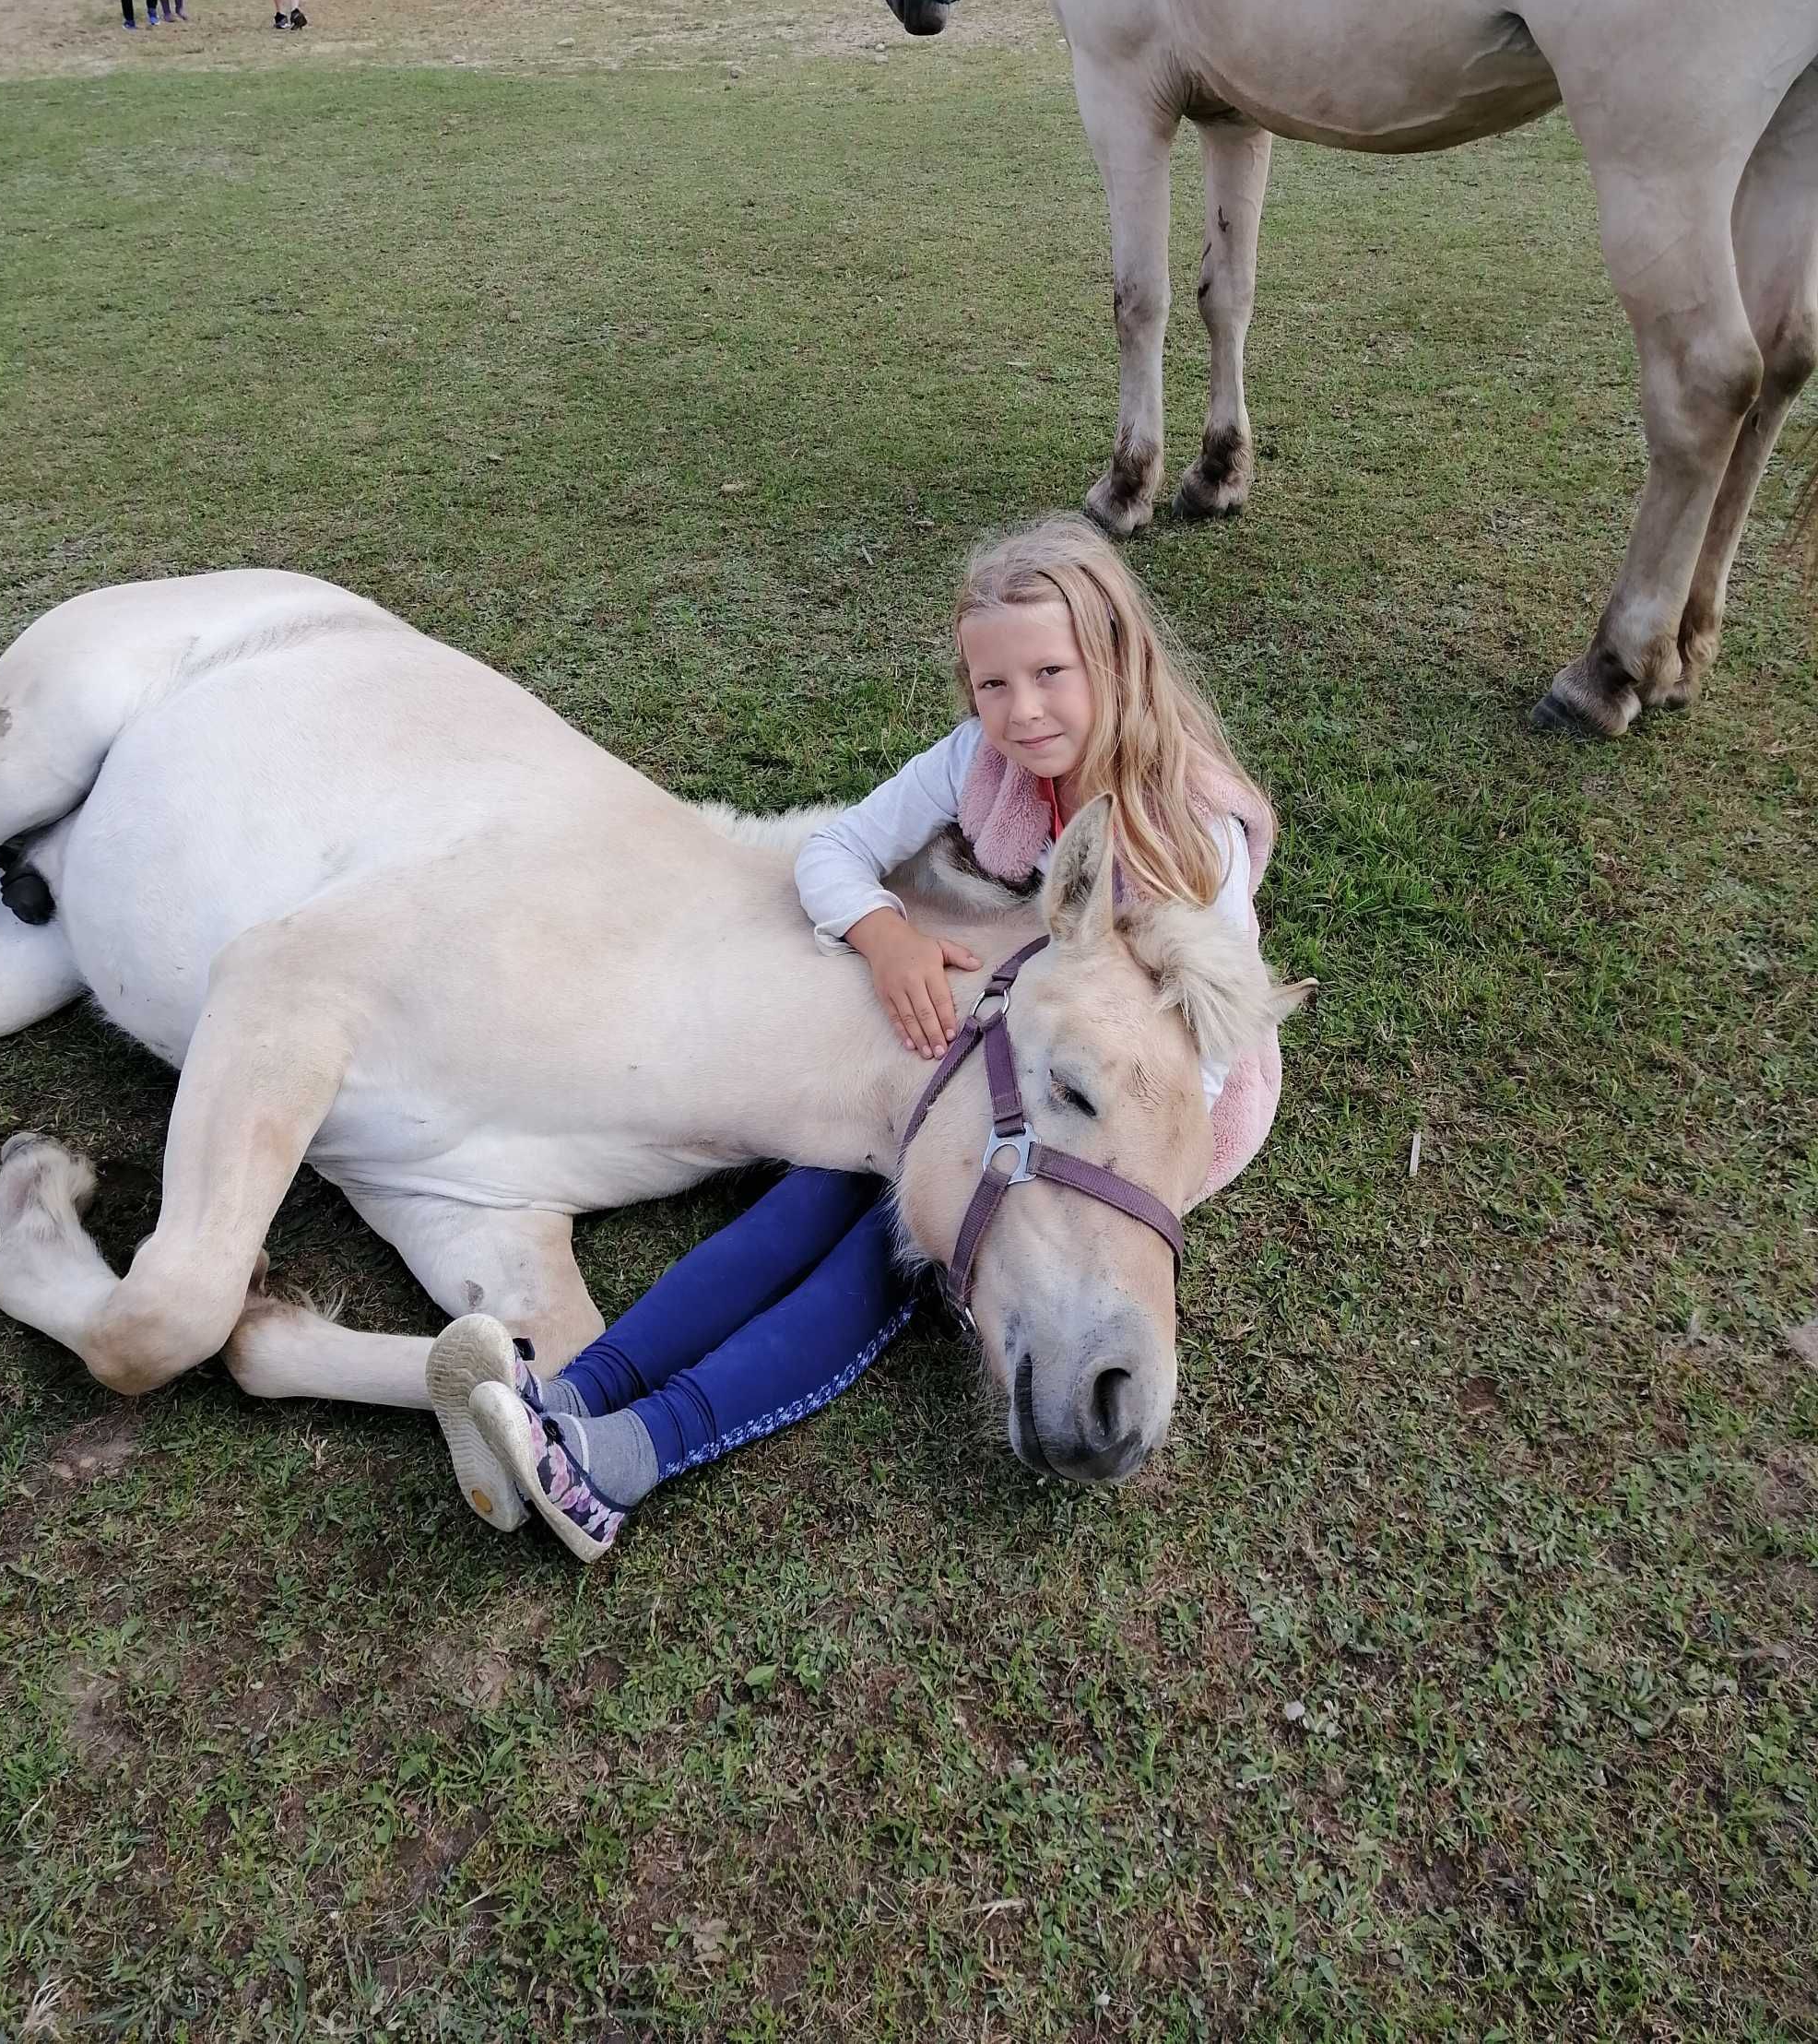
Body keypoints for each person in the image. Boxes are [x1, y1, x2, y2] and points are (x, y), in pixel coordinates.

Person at [427, 514, 1286, 1564]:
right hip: (1007, 1035)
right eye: (990, 685)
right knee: (814, 1195)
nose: (1020, 712)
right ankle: (563, 1398)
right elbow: (837, 851)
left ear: (1113, 655)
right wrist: (885, 939)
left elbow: (1201, 1046)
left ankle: (626, 1455)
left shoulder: (1193, 827)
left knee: (869, 1245)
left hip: (1119, 1096)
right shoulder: (981, 762)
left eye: (1050, 673)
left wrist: (1085, 1173)